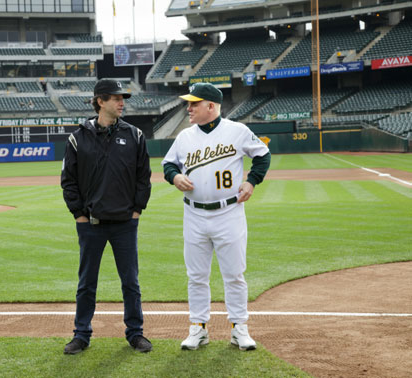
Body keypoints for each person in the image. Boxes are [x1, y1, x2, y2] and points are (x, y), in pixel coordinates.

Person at [162, 83, 271, 351]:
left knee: (234, 274)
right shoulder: (185, 136)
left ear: (211, 106)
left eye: (194, 103)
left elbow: (263, 156)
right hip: (194, 213)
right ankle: (198, 328)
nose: (188, 108)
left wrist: (252, 181)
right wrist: (174, 176)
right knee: (196, 275)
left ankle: (239, 329)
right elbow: (168, 163)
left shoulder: (237, 131)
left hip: (229, 213)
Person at [61, 79, 152, 354]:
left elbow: (143, 178)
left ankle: (135, 333)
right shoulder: (78, 137)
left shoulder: (135, 135)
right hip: (91, 224)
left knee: (130, 282)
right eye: (116, 98)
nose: (122, 102)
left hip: (125, 223)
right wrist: (78, 214)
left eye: (123, 97)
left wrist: (137, 211)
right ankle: (81, 334)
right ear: (100, 101)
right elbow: (68, 180)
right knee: (87, 283)